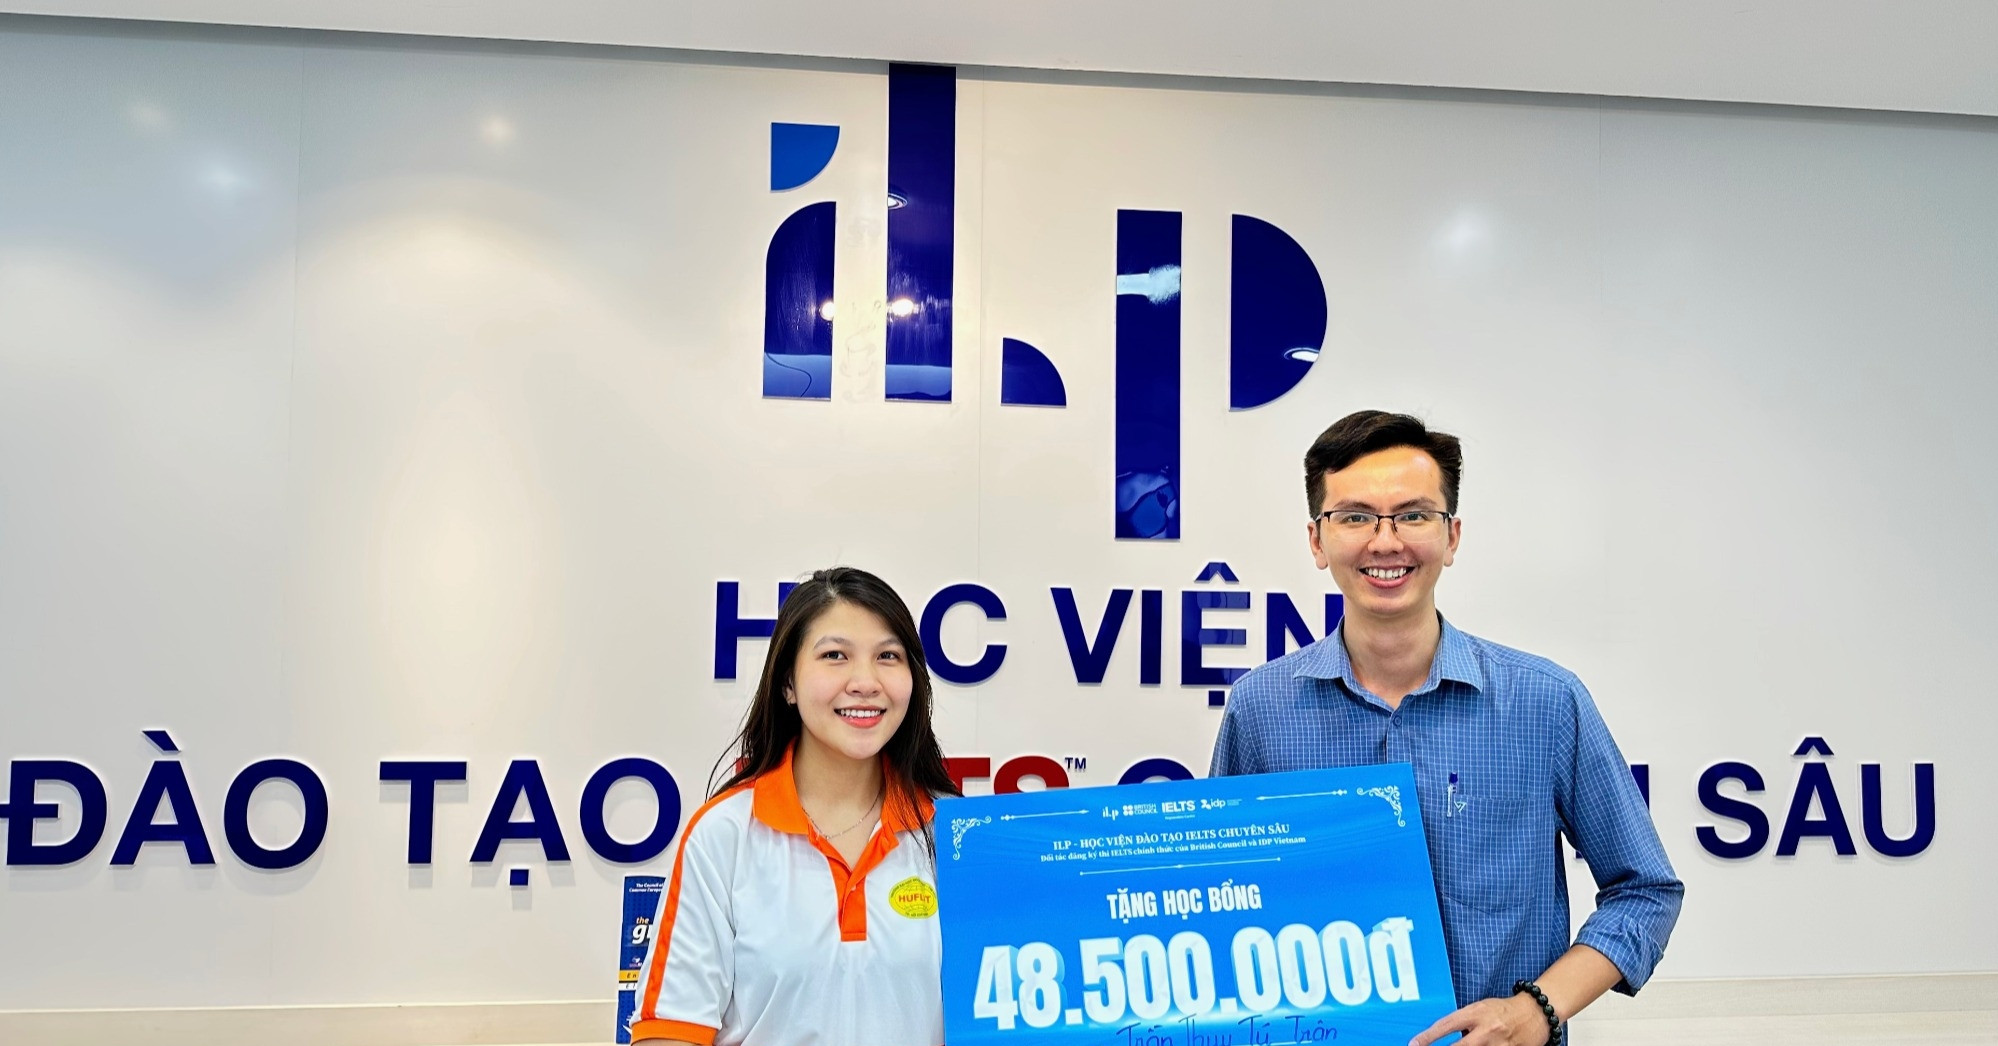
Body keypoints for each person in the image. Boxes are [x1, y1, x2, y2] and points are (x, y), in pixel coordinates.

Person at [1209, 411, 1683, 1046]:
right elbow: (1223, 901)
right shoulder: (1260, 710)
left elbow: (1646, 891)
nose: (1386, 542)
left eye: (1413, 515)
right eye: (1354, 517)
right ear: (1317, 541)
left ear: (1452, 536)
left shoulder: (1544, 702)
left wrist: (1536, 1010)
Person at [630, 567, 959, 1046]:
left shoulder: (955, 835)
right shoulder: (724, 835)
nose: (865, 681)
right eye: (835, 655)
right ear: (788, 682)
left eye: (888, 656)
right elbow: (670, 1032)